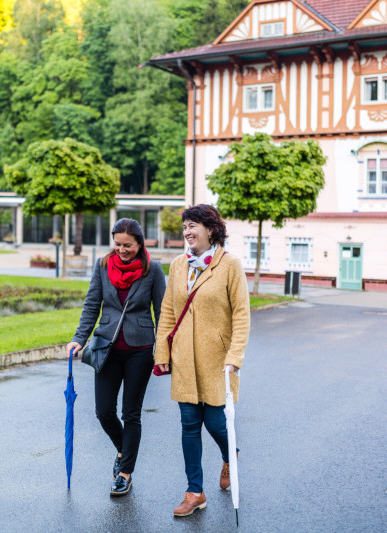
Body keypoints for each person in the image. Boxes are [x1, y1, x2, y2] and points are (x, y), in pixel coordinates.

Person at [154, 204, 250, 517]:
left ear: (211, 229)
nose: (187, 232)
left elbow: (241, 315)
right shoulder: (178, 265)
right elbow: (168, 310)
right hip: (183, 359)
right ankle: (195, 491)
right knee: (189, 424)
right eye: (185, 227)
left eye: (193, 226)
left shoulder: (230, 265)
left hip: (218, 362)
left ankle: (229, 453)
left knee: (215, 422)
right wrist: (162, 353)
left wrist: (234, 357)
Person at [66, 218, 166, 497]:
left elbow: (162, 312)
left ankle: (124, 473)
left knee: (130, 413)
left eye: (128, 246)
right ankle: (124, 450)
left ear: (139, 243)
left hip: (141, 350)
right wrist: (78, 338)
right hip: (106, 348)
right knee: (104, 411)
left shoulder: (153, 269)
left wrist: (164, 350)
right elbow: (91, 305)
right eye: (118, 244)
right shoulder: (102, 266)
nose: (122, 250)